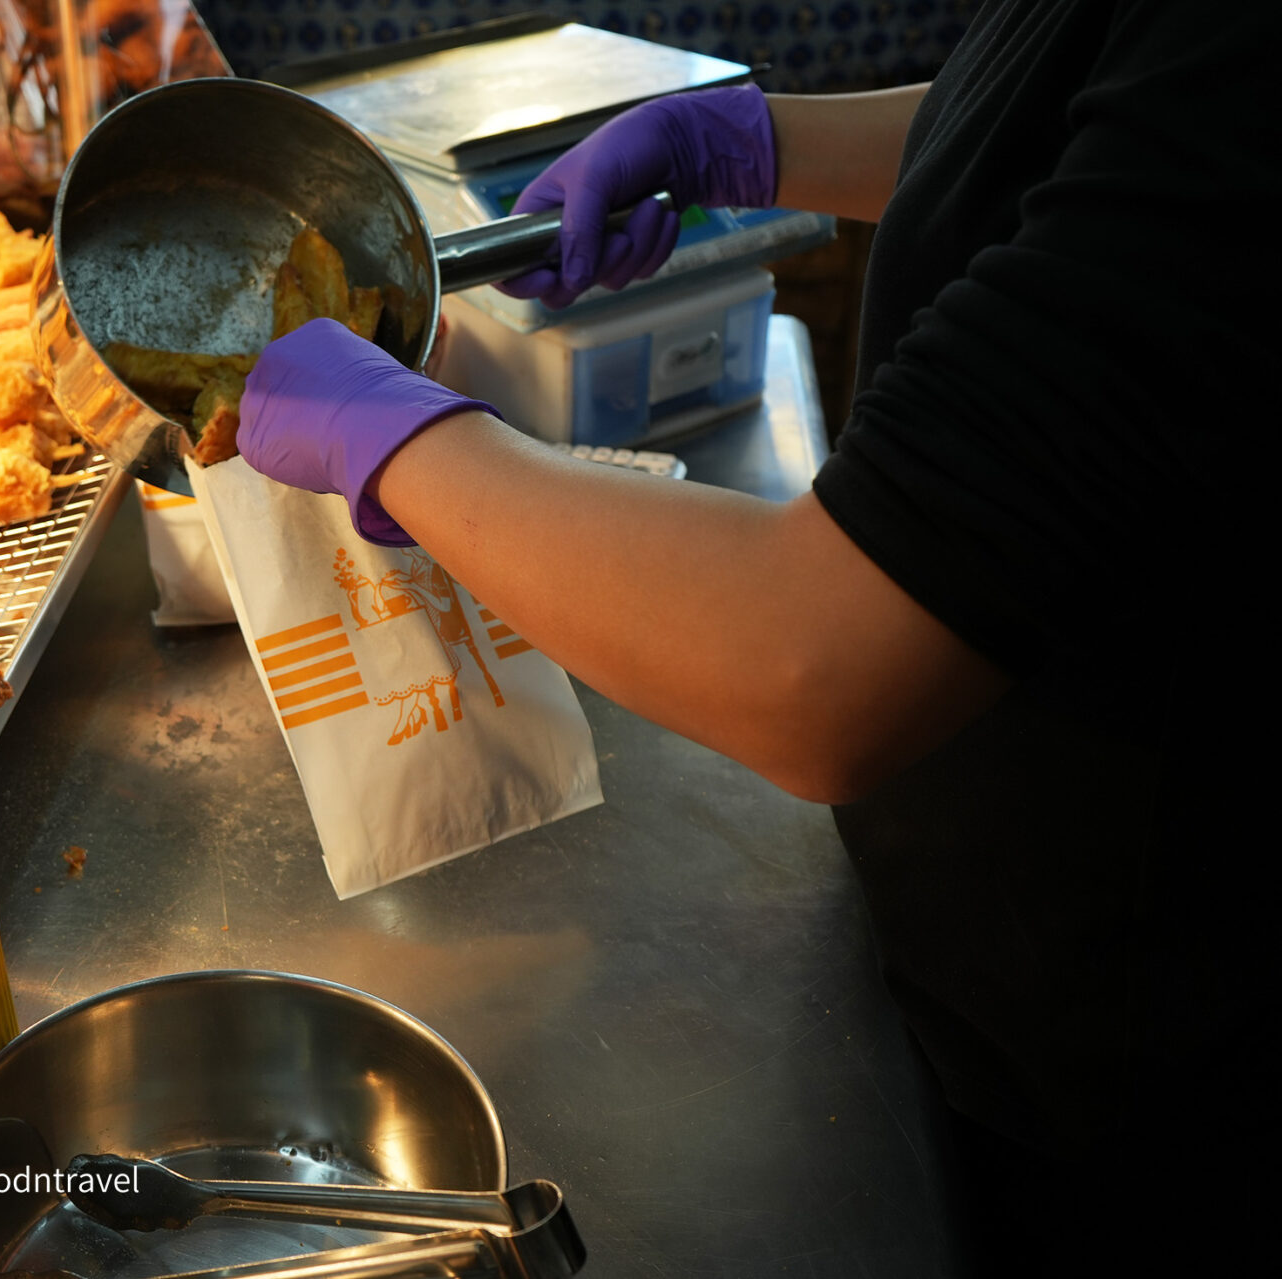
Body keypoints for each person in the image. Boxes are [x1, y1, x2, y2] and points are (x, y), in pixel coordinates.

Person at [236, 1, 1275, 1269]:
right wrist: (746, 140)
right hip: (1008, 932)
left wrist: (397, 441)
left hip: (1147, 1060)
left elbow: (815, 664)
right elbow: (1077, 149)